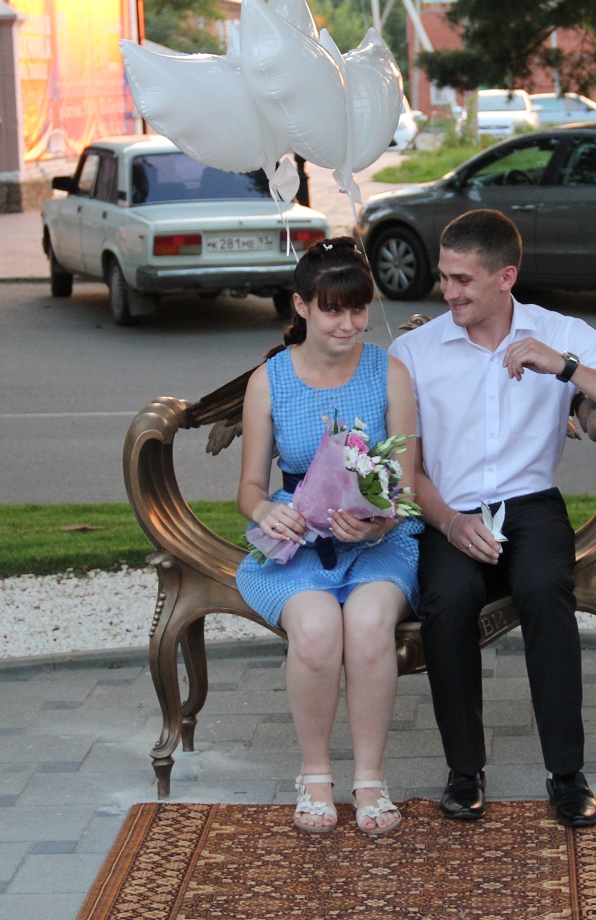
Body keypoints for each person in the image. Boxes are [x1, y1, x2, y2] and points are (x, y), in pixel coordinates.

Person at [389, 209, 596, 829]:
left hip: (531, 504)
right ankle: (465, 772)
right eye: (444, 276)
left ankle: (567, 775)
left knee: (545, 587)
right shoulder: (413, 351)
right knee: (447, 600)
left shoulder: (559, 332)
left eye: (463, 279)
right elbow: (407, 472)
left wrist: (565, 367)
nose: (448, 291)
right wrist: (449, 523)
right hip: (449, 509)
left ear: (506, 277)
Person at [235, 237, 422, 837]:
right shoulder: (269, 381)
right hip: (300, 540)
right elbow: (248, 488)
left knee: (367, 625)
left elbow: (407, 484)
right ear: (302, 306)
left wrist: (378, 521)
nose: (349, 323)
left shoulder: (389, 371)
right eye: (333, 309)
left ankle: (370, 779)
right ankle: (315, 775)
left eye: (359, 309)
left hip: (380, 538)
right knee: (316, 631)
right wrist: (266, 510)